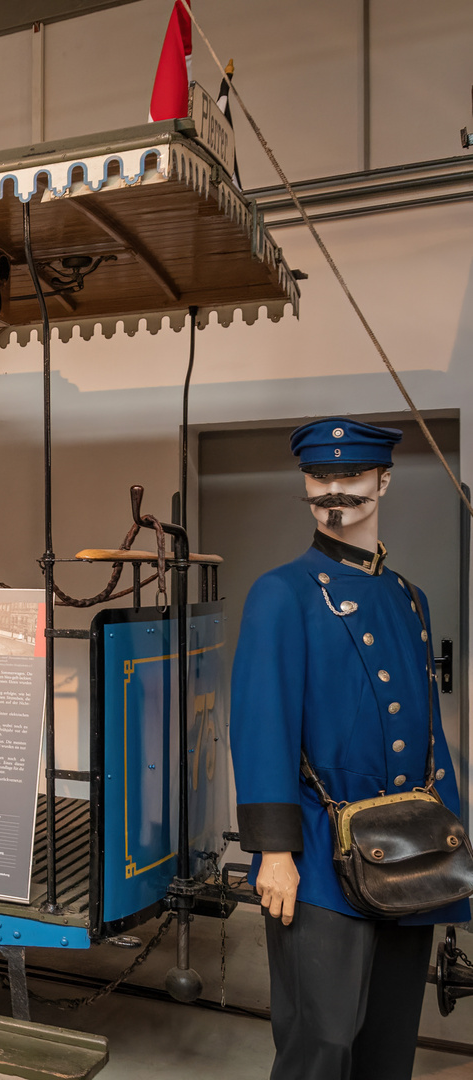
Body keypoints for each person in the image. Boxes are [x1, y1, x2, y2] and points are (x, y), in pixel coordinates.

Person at [230, 417, 467, 1080]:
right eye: (320, 476)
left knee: (389, 1044)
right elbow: (261, 724)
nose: (335, 489)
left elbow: (427, 736)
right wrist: (273, 853)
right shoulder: (283, 594)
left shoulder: (408, 599)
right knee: (322, 1042)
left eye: (351, 475)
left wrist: (452, 840)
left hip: (409, 851)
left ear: (383, 480)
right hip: (318, 853)